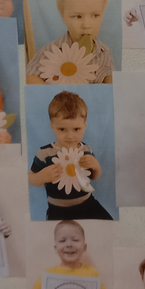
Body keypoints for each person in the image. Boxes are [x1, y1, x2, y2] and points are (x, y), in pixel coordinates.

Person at [28, 91, 113, 221]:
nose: (70, 136)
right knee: (54, 231)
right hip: (58, 209)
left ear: (84, 127)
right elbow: (31, 177)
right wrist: (41, 177)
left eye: (76, 129)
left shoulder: (86, 150)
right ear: (52, 127)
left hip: (87, 203)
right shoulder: (45, 153)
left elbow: (94, 176)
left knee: (108, 223)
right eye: (62, 129)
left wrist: (96, 166)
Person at [25, 0, 113, 84]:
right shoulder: (50, 51)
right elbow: (29, 77)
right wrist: (47, 90)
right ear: (63, 17)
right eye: (78, 16)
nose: (86, 25)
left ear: (102, 14)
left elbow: (110, 79)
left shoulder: (105, 53)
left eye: (95, 15)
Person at [31, 220, 107, 289]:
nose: (69, 244)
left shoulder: (92, 273)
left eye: (75, 240)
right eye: (62, 240)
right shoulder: (49, 274)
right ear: (55, 248)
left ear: (84, 247)